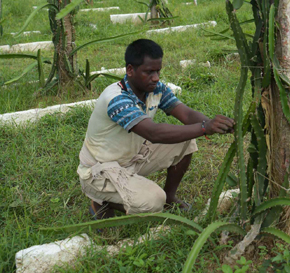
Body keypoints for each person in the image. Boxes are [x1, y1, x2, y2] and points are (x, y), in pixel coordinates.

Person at [77, 39, 235, 219]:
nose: (156, 77)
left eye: (158, 70)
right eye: (149, 72)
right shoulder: (116, 99)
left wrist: (215, 124)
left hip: (130, 159)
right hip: (100, 170)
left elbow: (187, 115)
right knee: (153, 202)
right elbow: (154, 133)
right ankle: (101, 200)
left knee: (186, 139)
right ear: (130, 70)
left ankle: (170, 197)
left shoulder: (155, 89)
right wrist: (205, 127)